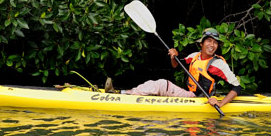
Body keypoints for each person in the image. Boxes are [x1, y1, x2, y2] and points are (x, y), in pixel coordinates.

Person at [103, 27, 242, 108]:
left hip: (200, 99)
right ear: (201, 44)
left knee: (161, 84)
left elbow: (237, 87)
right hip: (189, 94)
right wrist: (173, 57)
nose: (212, 45)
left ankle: (121, 94)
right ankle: (127, 93)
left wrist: (220, 103)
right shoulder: (194, 56)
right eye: (209, 41)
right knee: (156, 85)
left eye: (215, 43)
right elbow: (176, 65)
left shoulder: (218, 64)